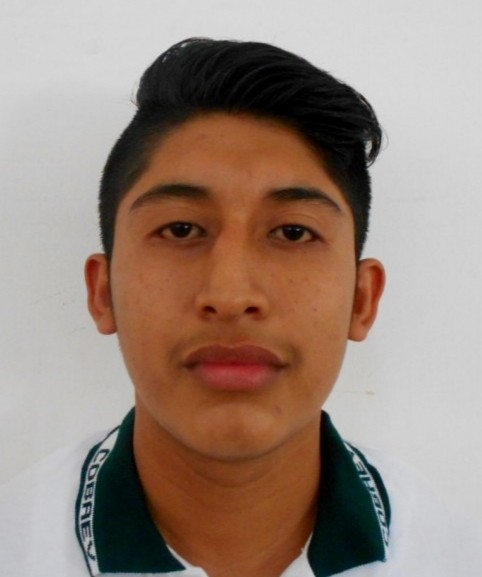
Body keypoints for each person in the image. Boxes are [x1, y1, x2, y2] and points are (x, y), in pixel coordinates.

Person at [0, 37, 480, 577]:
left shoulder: (456, 556)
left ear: (361, 300)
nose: (230, 297)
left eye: (293, 232)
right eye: (181, 229)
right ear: (102, 291)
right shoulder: (15, 547)